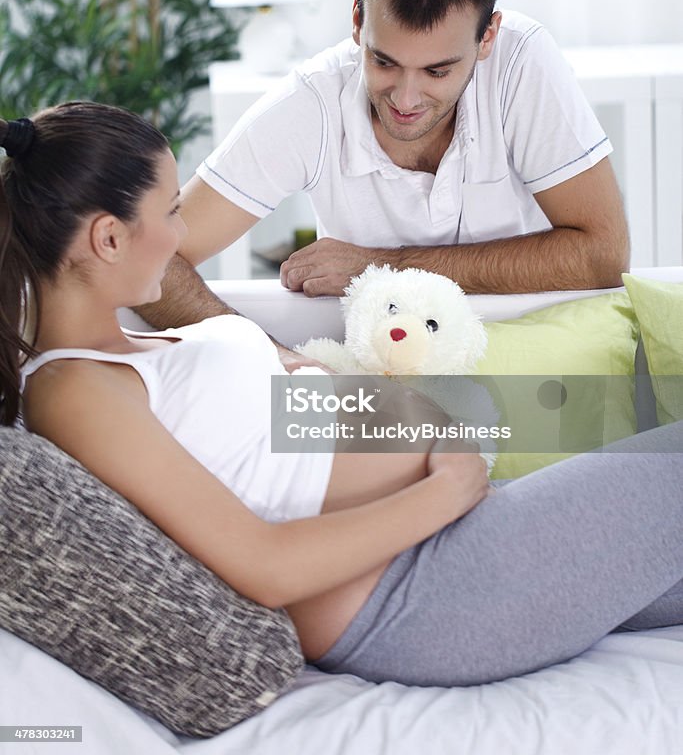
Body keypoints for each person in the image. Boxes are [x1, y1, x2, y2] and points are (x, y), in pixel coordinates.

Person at [1, 103, 681, 691]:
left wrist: (430, 434)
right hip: (418, 591)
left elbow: (279, 437)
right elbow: (264, 566)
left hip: (456, 529)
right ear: (109, 237)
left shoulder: (135, 353)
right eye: (172, 210)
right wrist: (442, 488)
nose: (182, 236)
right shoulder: (73, 389)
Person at [145, 0, 629, 337]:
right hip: (381, 370)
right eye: (384, 62)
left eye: (438, 71)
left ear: (488, 38)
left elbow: (604, 255)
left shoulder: (521, 61)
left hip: (527, 357)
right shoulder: (311, 103)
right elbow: (153, 257)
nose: (405, 97)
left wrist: (380, 267)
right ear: (357, 20)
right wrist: (271, 356)